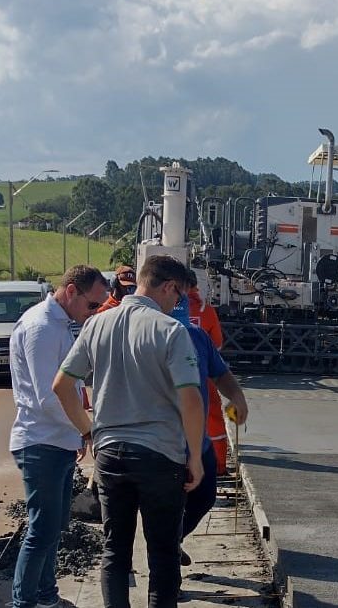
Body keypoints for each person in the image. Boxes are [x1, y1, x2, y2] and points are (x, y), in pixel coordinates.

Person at [52, 255, 204, 608]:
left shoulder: (96, 325)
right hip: (159, 456)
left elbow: (61, 385)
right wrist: (194, 456)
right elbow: (191, 400)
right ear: (168, 287)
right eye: (178, 296)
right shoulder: (170, 331)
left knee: (115, 551)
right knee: (163, 553)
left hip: (110, 455)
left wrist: (89, 433)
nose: (176, 304)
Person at [8, 265, 109, 608]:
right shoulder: (42, 328)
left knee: (54, 528)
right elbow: (47, 396)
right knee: (42, 531)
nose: (92, 313)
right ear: (71, 292)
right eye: (92, 305)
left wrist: (77, 433)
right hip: (40, 442)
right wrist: (84, 429)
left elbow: (73, 386)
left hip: (59, 440)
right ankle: (24, 603)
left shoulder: (62, 324)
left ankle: (47, 597)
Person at [169, 292, 249, 565]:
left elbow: (220, 372)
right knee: (168, 507)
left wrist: (236, 396)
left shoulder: (197, 337)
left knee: (204, 498)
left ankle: (173, 540)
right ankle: (168, 576)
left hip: (196, 439)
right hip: (162, 441)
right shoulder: (150, 336)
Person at [186, 275, 230, 475]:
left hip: (172, 377)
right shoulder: (207, 311)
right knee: (213, 417)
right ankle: (219, 465)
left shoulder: (164, 308)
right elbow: (218, 344)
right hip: (205, 376)